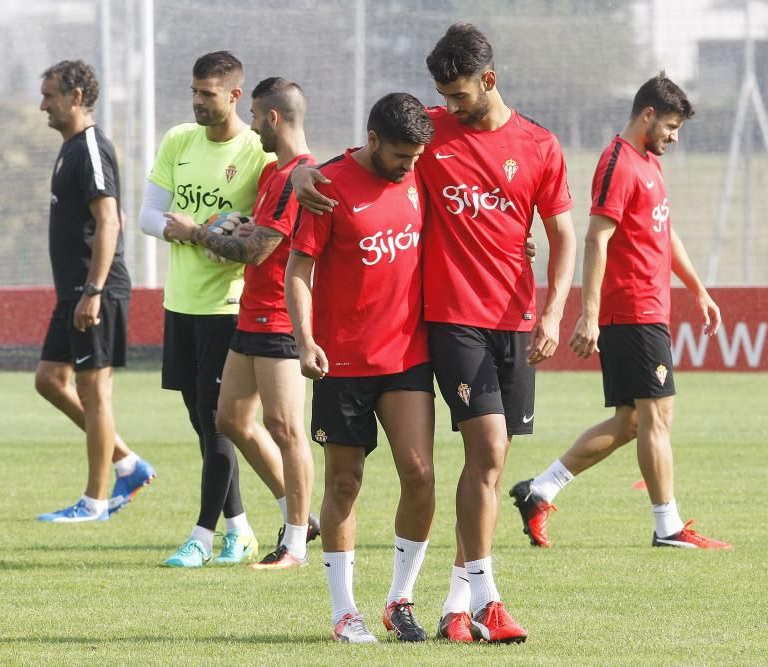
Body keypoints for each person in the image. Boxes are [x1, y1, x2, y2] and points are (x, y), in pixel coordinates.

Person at [293, 24, 575, 643]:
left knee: (480, 469)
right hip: (448, 323)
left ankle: (450, 605)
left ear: (489, 81)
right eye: (441, 96)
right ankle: (482, 600)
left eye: (458, 95)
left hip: (514, 319)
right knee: (485, 455)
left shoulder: (538, 144)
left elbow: (562, 234)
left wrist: (554, 313)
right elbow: (361, 155)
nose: (447, 107)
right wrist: (296, 175)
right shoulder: (423, 131)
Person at [509, 72, 731, 551]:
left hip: (650, 309)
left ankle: (540, 489)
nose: (674, 137)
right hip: (631, 311)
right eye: (671, 126)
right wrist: (587, 315)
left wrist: (698, 289)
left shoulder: (649, 163)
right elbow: (596, 238)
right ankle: (667, 526)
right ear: (647, 115)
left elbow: (663, 231)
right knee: (658, 414)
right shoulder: (618, 162)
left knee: (633, 421)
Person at [286, 93, 436, 644]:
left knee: (420, 473)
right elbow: (299, 267)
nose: (409, 166)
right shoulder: (327, 186)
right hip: (342, 361)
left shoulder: (422, 173)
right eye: (400, 155)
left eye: (416, 156)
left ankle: (400, 599)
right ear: (372, 140)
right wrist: (304, 340)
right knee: (345, 482)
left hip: (407, 356)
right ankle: (344, 611)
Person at [163, 77, 319, 570]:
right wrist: (238, 225)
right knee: (228, 419)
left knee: (286, 428)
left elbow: (257, 252)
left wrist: (198, 232)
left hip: (279, 318)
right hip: (250, 314)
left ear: (273, 118)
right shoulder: (275, 173)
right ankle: (300, 517)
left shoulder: (303, 174)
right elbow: (261, 236)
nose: (252, 125)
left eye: (255, 116)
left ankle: (293, 543)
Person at [139, 51, 274, 567]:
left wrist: (200, 231)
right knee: (202, 422)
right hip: (181, 302)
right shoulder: (178, 140)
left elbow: (257, 235)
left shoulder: (257, 153)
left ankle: (201, 536)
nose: (197, 102)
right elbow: (150, 216)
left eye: (208, 94)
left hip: (229, 306)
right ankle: (238, 529)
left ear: (235, 95)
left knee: (220, 422)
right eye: (194, 92)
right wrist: (190, 232)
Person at [34, 60, 155, 523]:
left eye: (49, 95)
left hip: (94, 291)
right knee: (49, 380)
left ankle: (95, 502)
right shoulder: (68, 147)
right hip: (75, 292)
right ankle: (128, 462)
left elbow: (110, 220)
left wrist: (93, 290)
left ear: (76, 97)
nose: (42, 103)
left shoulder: (88, 148)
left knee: (94, 392)